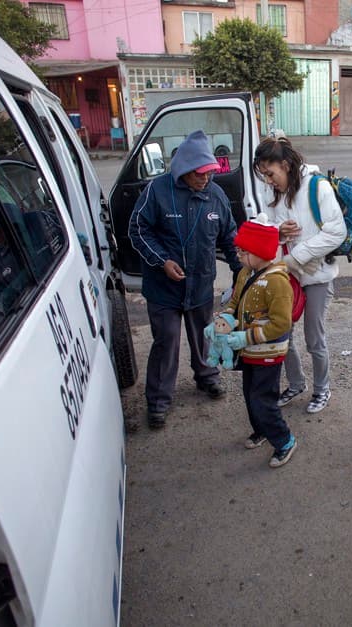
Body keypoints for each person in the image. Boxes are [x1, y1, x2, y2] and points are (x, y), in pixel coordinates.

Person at [129, 130, 242, 429]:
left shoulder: (215, 195)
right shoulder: (157, 191)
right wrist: (162, 260)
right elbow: (138, 230)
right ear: (184, 169)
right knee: (166, 342)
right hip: (163, 287)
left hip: (201, 285)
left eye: (209, 173)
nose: (205, 179)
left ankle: (207, 377)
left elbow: (230, 237)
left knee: (204, 336)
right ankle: (158, 401)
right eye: (199, 174)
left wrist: (240, 271)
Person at [253, 137, 346, 415]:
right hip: (286, 276)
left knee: (313, 338)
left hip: (316, 276)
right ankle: (296, 384)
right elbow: (265, 226)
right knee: (283, 334)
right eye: (264, 175)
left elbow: (336, 232)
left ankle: (322, 389)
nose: (268, 180)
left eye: (271, 173)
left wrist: (298, 255)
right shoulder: (273, 193)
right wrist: (278, 231)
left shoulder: (318, 187)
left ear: (285, 165)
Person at [216, 216, 296, 467]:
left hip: (268, 352)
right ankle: (262, 429)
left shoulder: (277, 282)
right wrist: (226, 318)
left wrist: (246, 335)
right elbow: (235, 301)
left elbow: (282, 324)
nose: (237, 254)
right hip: (248, 350)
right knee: (251, 395)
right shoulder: (244, 273)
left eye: (243, 251)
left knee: (263, 399)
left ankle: (284, 440)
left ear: (260, 252)